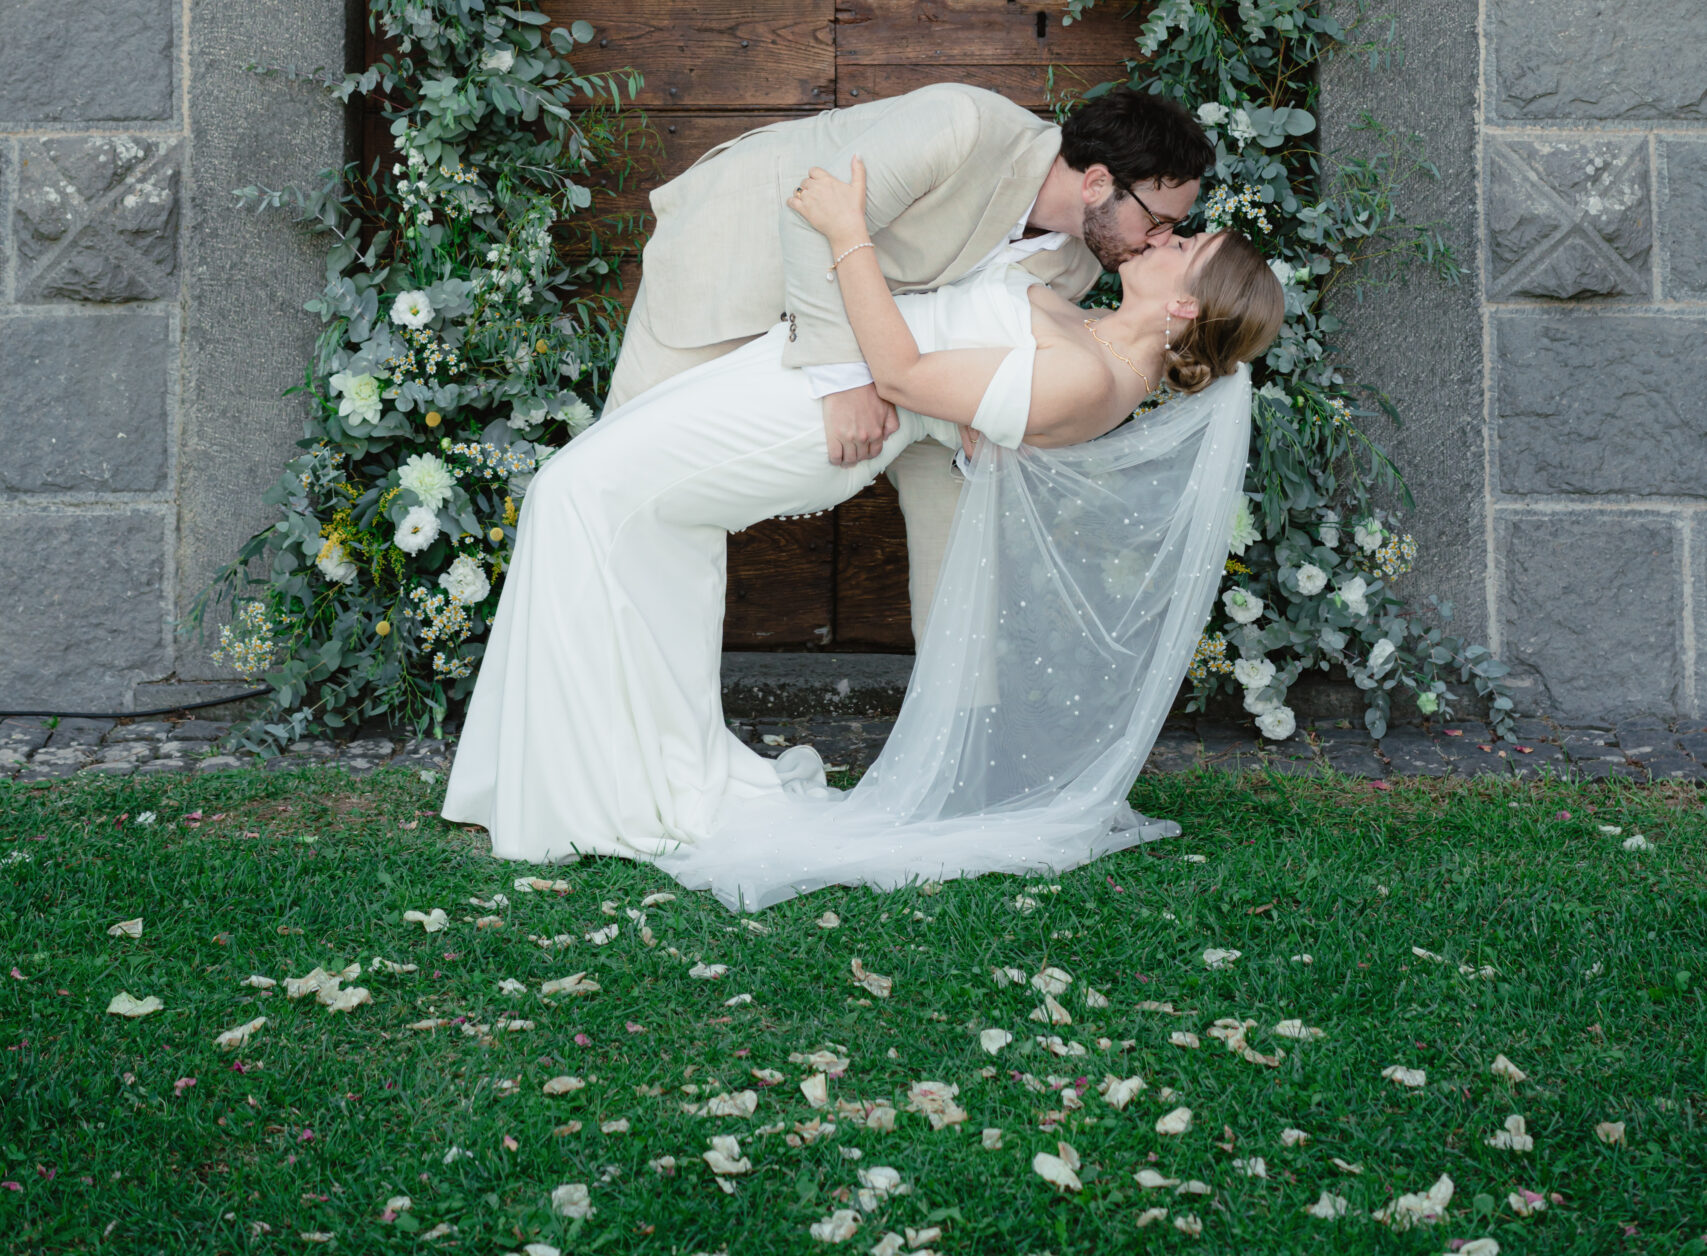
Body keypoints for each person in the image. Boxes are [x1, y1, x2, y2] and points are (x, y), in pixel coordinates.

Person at [441, 154, 1282, 897]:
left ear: (1183, 305)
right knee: (627, 527)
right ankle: (610, 771)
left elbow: (905, 375)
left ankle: (583, 788)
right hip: (800, 376)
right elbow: (986, 382)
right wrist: (981, 416)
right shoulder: (1095, 330)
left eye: (1184, 247)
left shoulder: (1094, 379)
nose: (1165, 237)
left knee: (574, 490)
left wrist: (848, 232)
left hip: (813, 419)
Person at [604, 84, 1213, 633]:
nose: (1160, 242)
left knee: (959, 507)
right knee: (619, 478)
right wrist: (843, 380)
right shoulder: (963, 125)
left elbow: (977, 345)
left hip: (896, 361)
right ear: (1098, 184)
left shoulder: (1079, 265)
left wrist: (988, 419)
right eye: (1158, 222)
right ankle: (598, 657)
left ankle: (956, 705)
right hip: (734, 264)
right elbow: (813, 215)